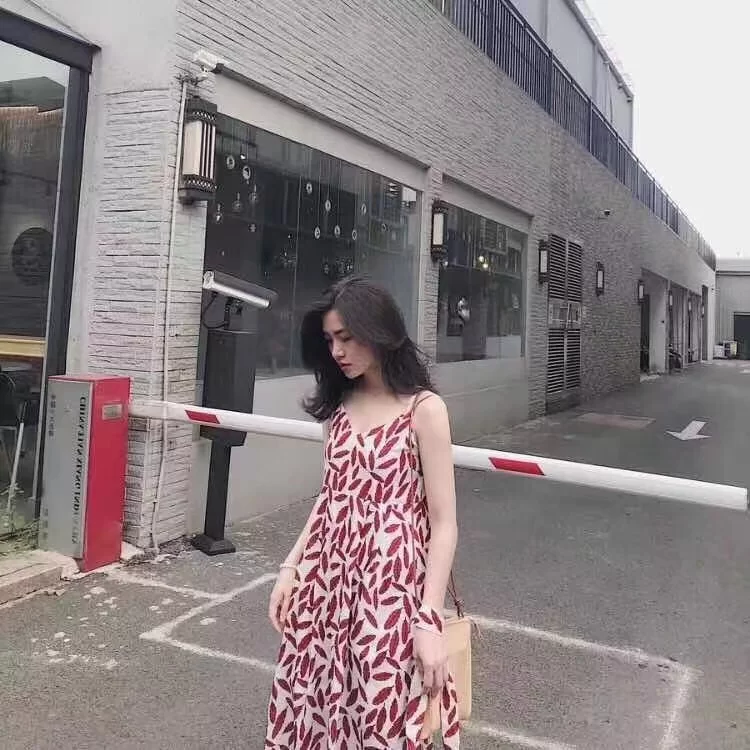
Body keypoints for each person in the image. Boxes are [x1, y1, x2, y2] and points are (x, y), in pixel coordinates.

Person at [265, 277, 460, 749]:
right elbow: (331, 496)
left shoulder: (424, 410)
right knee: (312, 701)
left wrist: (428, 619)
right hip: (326, 585)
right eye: (330, 340)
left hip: (389, 592)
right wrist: (291, 567)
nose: (337, 351)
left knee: (381, 710)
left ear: (379, 332)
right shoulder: (339, 405)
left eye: (347, 338)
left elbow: (444, 523)